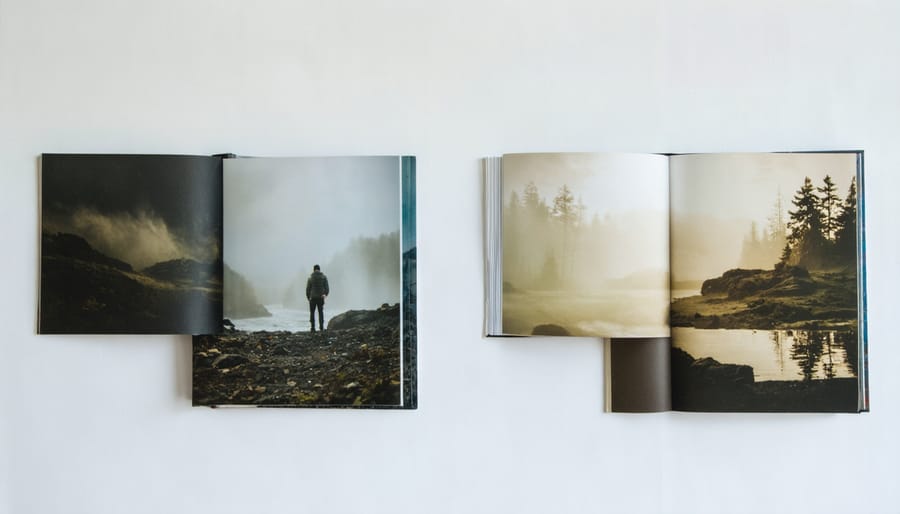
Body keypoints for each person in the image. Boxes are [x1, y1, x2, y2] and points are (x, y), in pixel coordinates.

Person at [306, 264, 329, 332]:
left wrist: (308, 297)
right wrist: (325, 294)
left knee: (312, 313)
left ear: (313, 270)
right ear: (319, 269)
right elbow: (327, 288)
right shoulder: (324, 277)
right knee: (320, 312)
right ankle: (321, 327)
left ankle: (312, 328)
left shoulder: (310, 278)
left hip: (312, 298)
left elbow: (308, 289)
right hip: (320, 297)